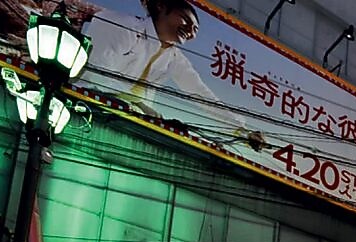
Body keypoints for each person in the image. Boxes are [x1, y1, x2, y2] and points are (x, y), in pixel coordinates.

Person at [82, 0, 265, 151]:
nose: (190, 31)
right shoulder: (120, 24)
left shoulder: (174, 58)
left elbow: (201, 94)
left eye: (195, 30)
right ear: (160, 6)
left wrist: (243, 132)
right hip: (84, 107)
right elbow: (94, 72)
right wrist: (139, 105)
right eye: (185, 20)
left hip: (125, 128)